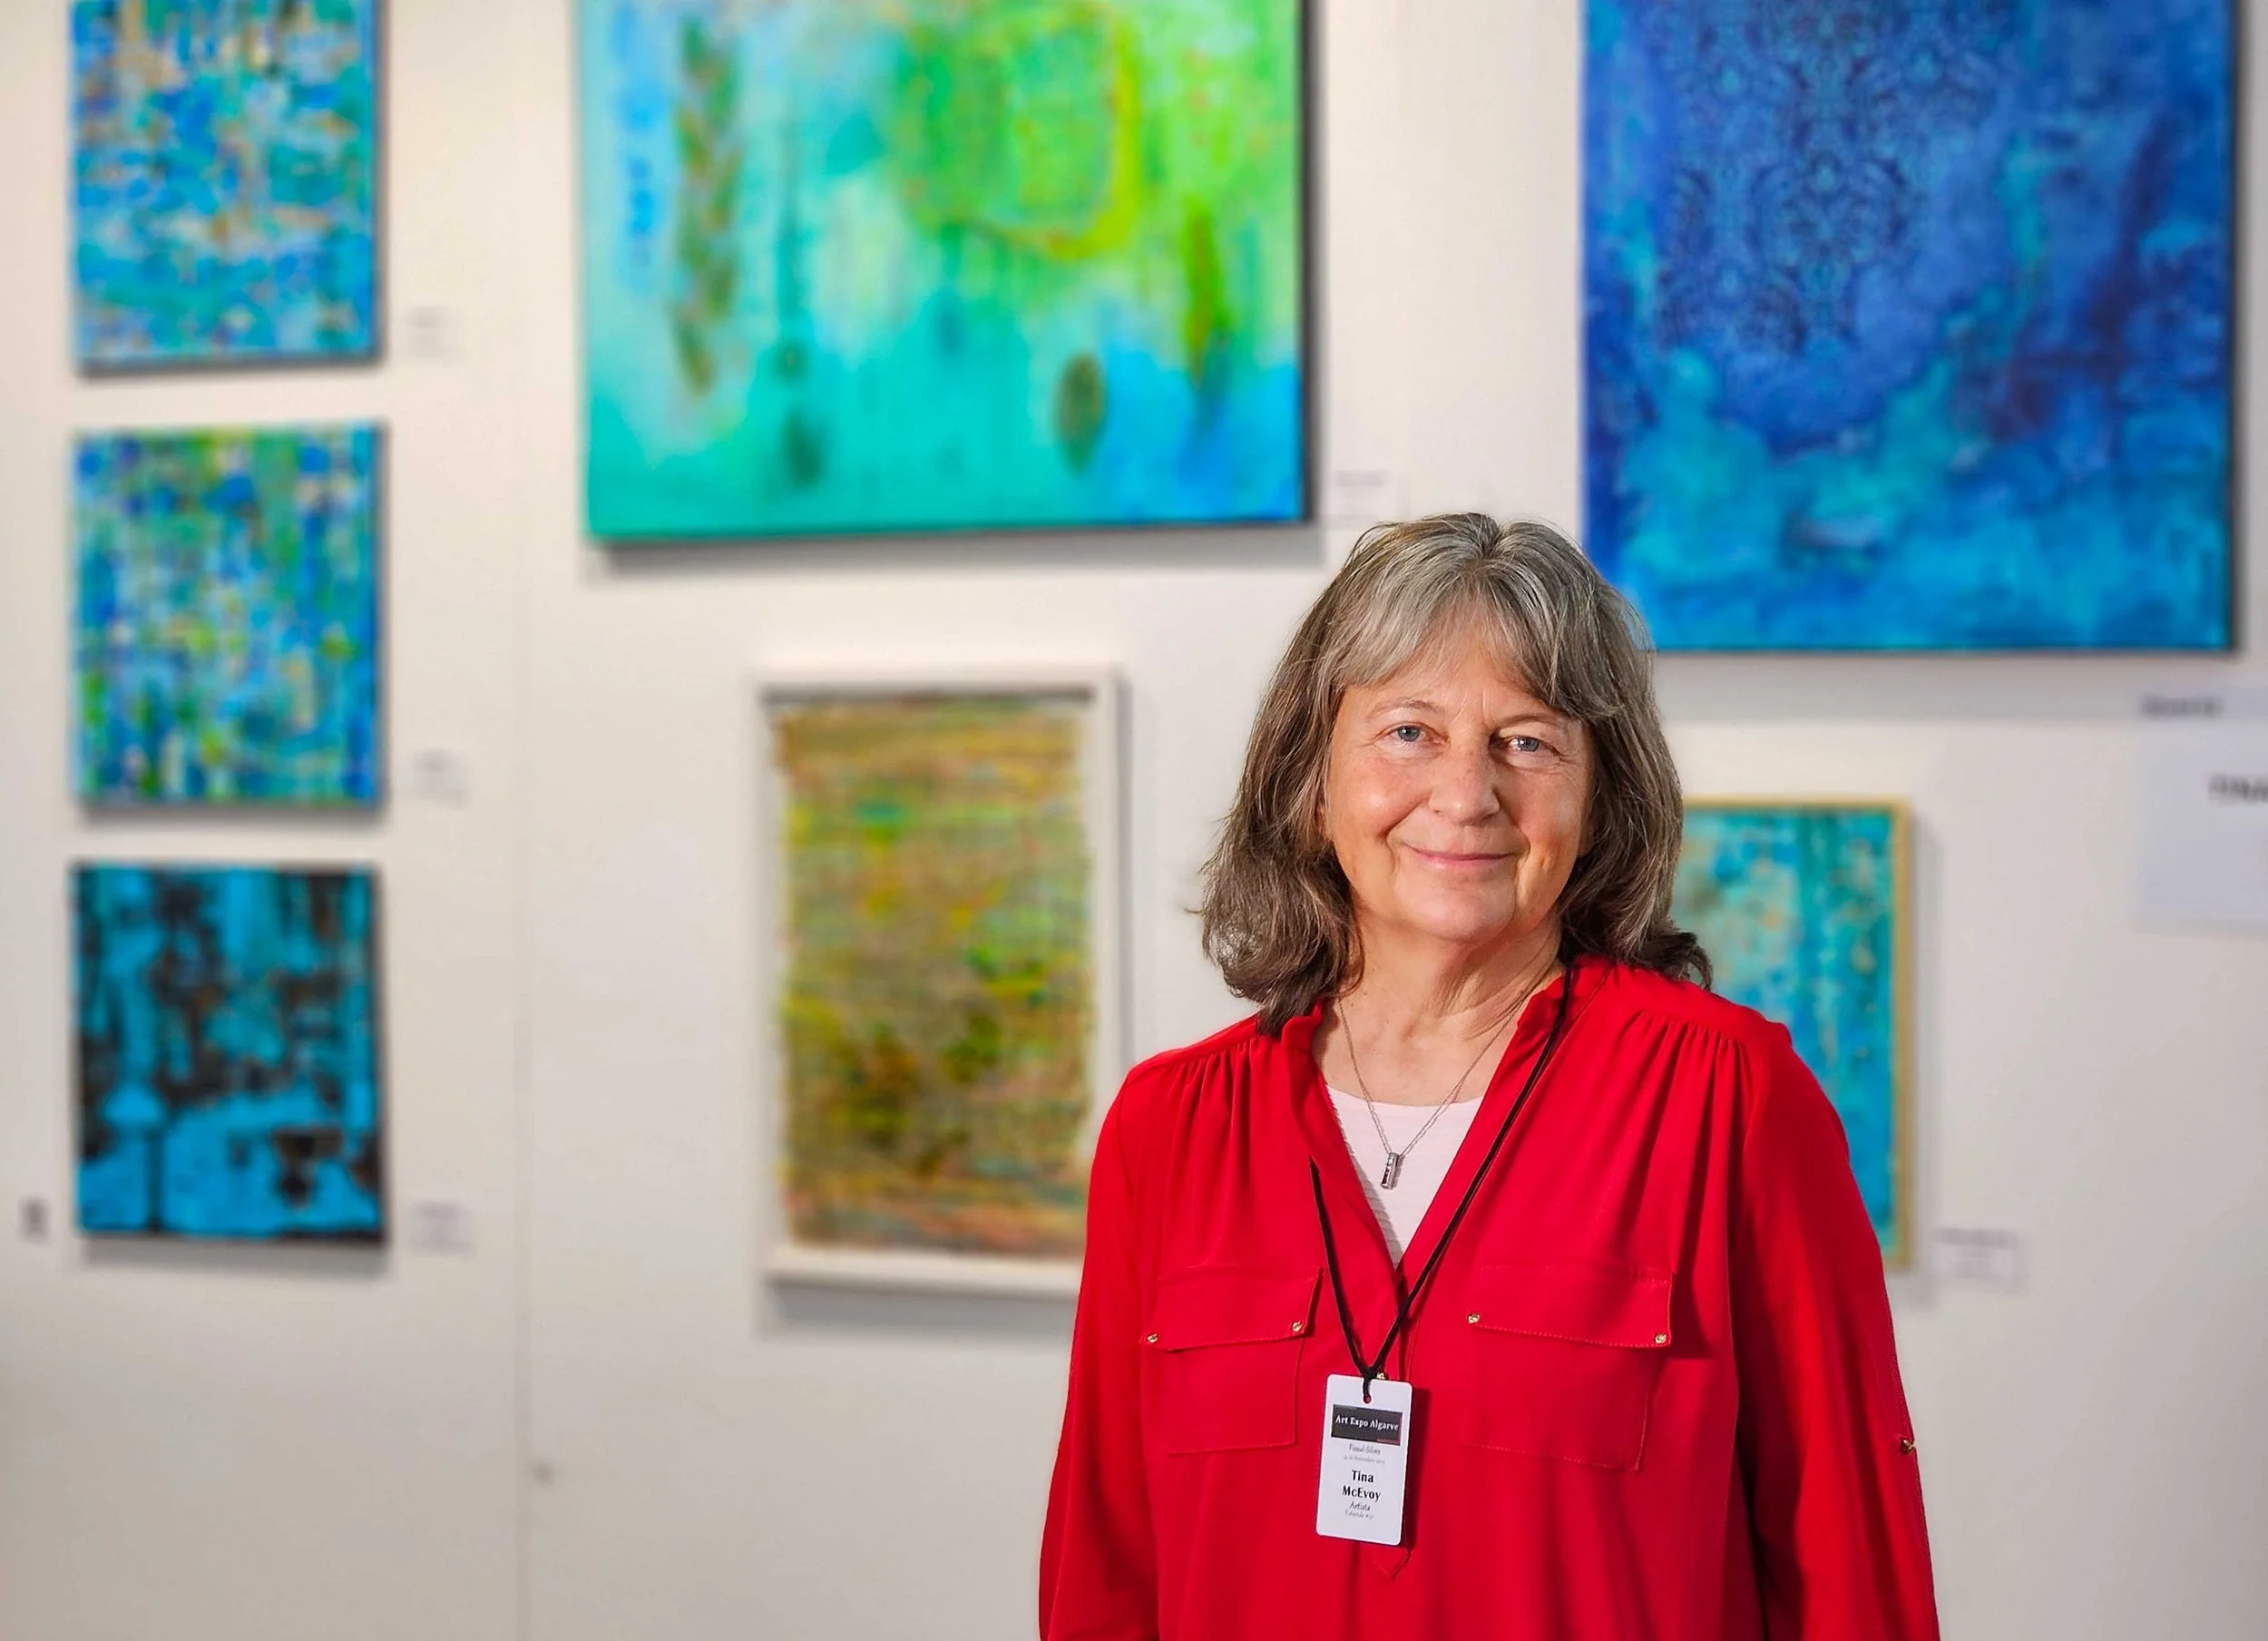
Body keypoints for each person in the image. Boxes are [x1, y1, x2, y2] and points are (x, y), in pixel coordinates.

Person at [1040, 514, 1939, 1640]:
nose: (1466, 794)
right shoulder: (1169, 1128)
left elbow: (1849, 1564)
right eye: (1407, 732)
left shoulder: (1727, 1097)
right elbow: (1106, 1566)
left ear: (1599, 797)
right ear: (1310, 781)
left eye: (1526, 742)